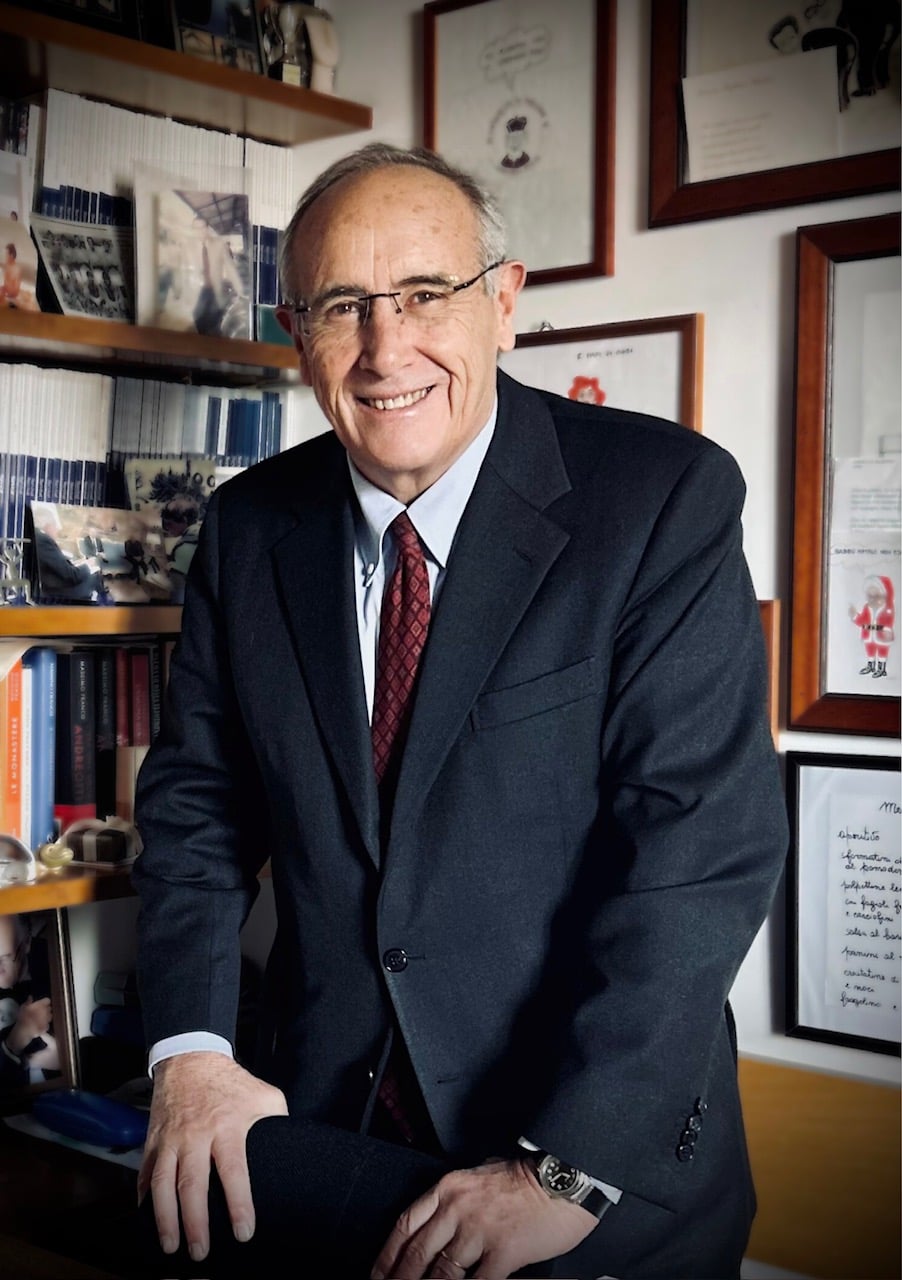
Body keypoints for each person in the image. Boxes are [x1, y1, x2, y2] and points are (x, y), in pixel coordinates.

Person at [132, 142, 788, 1280]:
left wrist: (566, 1171)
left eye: (426, 293)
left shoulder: (660, 500)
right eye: (343, 305)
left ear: (504, 302)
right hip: (323, 1143)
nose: (387, 348)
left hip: (583, 1169)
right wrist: (189, 1050)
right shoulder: (246, 527)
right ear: (296, 332)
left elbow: (698, 855)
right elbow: (194, 812)